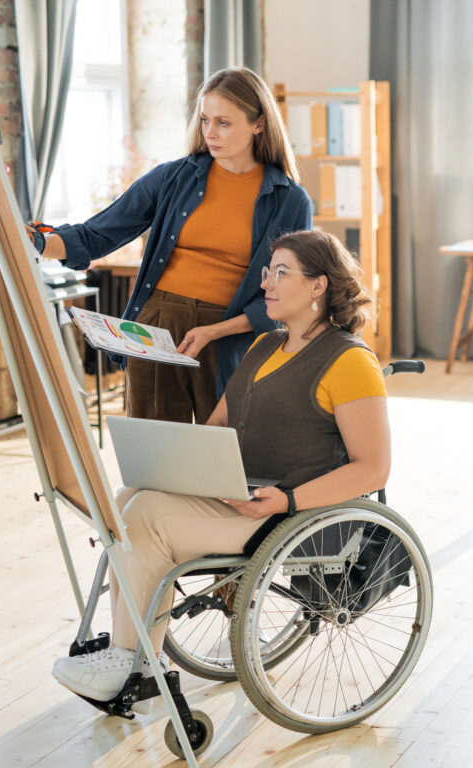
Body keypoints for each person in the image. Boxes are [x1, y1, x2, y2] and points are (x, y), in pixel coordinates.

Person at [51, 230, 390, 708]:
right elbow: (213, 434)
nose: (266, 283)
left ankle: (134, 658)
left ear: (318, 286)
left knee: (142, 517)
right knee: (129, 500)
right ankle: (133, 654)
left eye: (281, 273)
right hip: (241, 497)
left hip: (291, 514)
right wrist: (170, 465)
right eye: (267, 272)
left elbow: (373, 469)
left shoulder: (351, 361)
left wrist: (288, 499)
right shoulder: (263, 348)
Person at [29, 67, 311, 423]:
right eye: (205, 120)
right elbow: (98, 233)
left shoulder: (289, 200)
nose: (210, 133)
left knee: (225, 456)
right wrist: (34, 243)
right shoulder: (174, 178)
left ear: (259, 124)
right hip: (156, 328)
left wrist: (214, 331)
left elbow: (287, 297)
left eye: (223, 123)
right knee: (154, 456)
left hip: (229, 336)